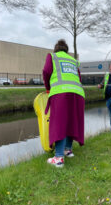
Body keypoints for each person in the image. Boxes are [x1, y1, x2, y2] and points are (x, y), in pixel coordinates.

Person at [43, 39, 85, 168]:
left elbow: (46, 71)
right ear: (66, 50)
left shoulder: (52, 56)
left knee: (59, 123)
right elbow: (78, 76)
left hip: (60, 93)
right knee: (71, 121)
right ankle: (68, 150)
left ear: (56, 49)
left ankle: (59, 158)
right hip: (77, 93)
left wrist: (48, 88)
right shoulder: (73, 60)